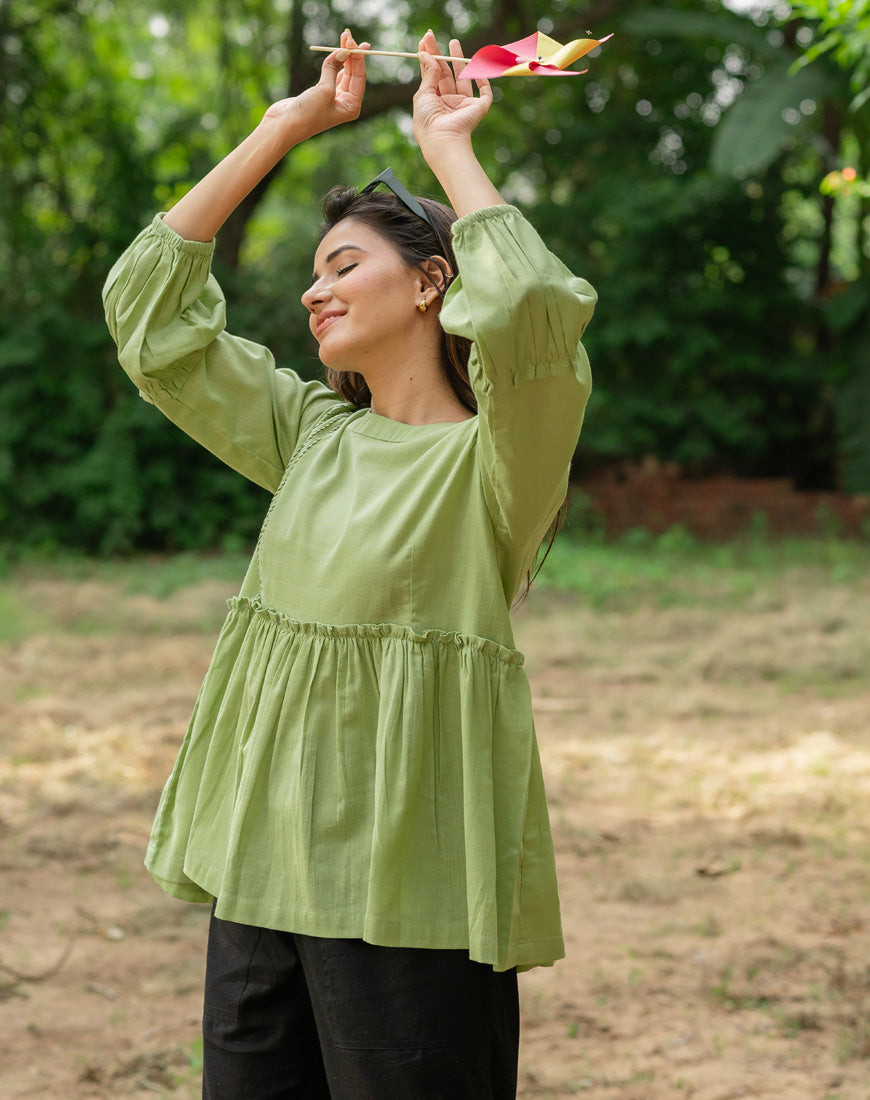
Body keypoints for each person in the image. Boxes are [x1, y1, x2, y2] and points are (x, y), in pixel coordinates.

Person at [103, 27, 596, 1100]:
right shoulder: (309, 435)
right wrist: (279, 130)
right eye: (312, 275)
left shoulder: (498, 461)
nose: (312, 294)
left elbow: (528, 311)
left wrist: (447, 145)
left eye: (342, 266)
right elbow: (150, 323)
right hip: (262, 873)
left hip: (415, 894)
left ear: (430, 285)